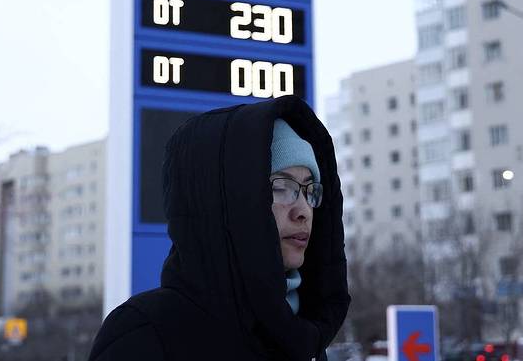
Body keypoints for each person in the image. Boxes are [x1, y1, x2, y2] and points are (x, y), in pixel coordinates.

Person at [88, 96, 350, 361]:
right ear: (225, 202)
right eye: (282, 187)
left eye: (310, 190)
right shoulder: (145, 334)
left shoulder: (304, 341)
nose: (303, 210)